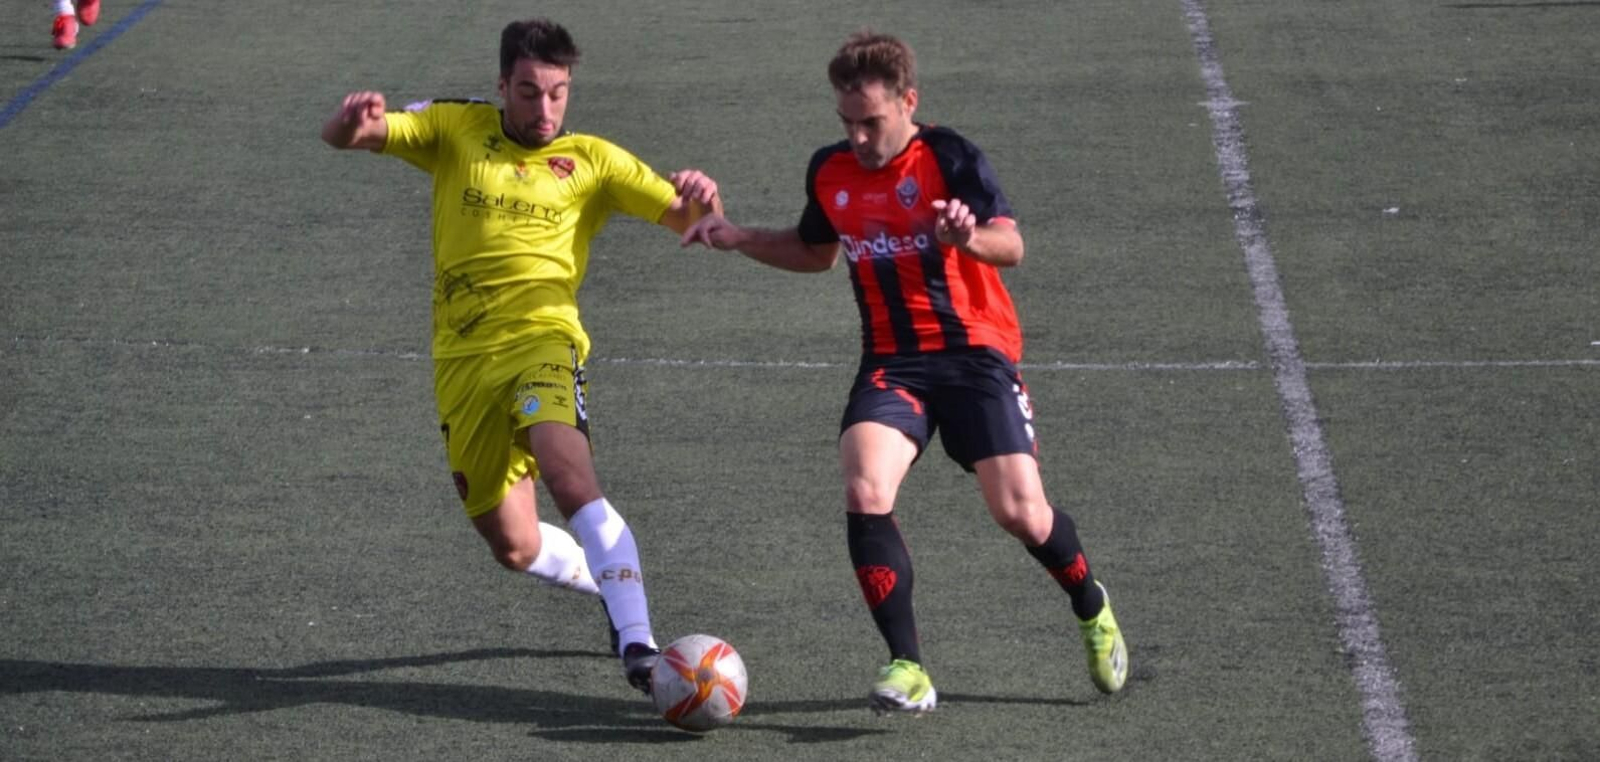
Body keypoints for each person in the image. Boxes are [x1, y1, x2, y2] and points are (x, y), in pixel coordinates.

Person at [682, 30, 1128, 713]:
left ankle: (1090, 604)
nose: (858, 138)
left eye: (872, 122)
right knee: (864, 486)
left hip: (976, 355)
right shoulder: (829, 171)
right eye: (847, 123)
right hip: (893, 363)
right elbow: (815, 251)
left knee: (1019, 512)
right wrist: (737, 235)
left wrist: (964, 237)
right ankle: (908, 666)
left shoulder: (949, 156)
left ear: (908, 102)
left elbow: (1010, 246)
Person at [320, 17, 722, 694]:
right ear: (502, 85)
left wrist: (705, 201)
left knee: (570, 478)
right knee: (513, 545)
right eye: (531, 93)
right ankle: (605, 580)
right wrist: (349, 122)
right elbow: (353, 137)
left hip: (545, 341)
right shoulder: (454, 129)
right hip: (463, 363)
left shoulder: (594, 161)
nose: (546, 109)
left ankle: (640, 646)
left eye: (558, 93)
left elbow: (698, 225)